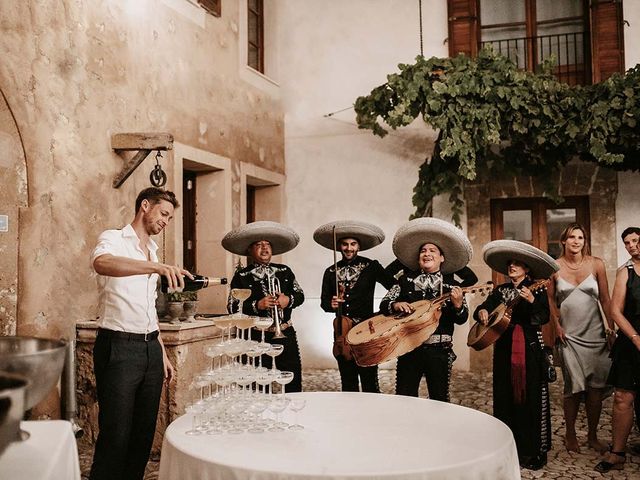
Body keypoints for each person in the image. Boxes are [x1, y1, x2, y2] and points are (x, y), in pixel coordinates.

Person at [89, 187, 188, 480]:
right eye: (163, 214)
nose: (166, 222)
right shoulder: (113, 238)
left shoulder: (154, 250)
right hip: (118, 346)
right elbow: (101, 263)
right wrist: (155, 267)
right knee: (116, 435)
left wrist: (160, 352)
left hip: (149, 349)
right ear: (145, 206)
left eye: (170, 218)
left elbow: (147, 310)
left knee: (143, 436)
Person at [474, 239, 558, 470]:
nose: (512, 266)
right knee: (504, 398)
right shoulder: (500, 290)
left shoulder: (537, 288)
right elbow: (482, 310)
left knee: (531, 399)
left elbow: (543, 318)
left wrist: (531, 301)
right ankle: (507, 448)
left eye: (517, 263)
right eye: (510, 263)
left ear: (527, 269)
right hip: (503, 350)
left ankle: (535, 451)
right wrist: (481, 311)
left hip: (529, 349)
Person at [379, 217, 472, 401]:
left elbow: (462, 318)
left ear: (442, 257)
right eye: (423, 251)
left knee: (439, 400)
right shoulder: (404, 281)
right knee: (405, 399)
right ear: (418, 257)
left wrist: (458, 304)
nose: (427, 253)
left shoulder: (452, 286)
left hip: (439, 350)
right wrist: (396, 305)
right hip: (408, 348)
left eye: (432, 251)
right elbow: (384, 304)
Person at [547, 223, 614, 453]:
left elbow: (606, 300)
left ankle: (593, 436)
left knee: (596, 388)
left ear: (585, 241)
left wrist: (611, 329)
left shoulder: (596, 264)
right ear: (563, 241)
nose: (576, 241)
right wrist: (556, 326)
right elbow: (550, 302)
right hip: (569, 336)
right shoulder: (553, 267)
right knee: (573, 387)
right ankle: (570, 433)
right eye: (572, 237)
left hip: (595, 334)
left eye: (580, 237)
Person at [222, 221, 304, 392]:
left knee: (292, 381)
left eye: (267, 245)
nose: (264, 248)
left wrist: (287, 300)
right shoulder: (242, 276)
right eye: (258, 245)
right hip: (256, 337)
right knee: (258, 385)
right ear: (249, 251)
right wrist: (256, 305)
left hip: (285, 333)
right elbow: (232, 306)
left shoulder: (284, 271)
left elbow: (300, 295)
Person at [314, 220, 396, 392]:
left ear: (359, 246)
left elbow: (395, 286)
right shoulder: (330, 271)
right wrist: (331, 304)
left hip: (367, 331)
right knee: (348, 381)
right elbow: (324, 303)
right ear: (339, 247)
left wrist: (385, 309)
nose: (349, 248)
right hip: (341, 334)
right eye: (344, 244)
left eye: (353, 244)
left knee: (370, 382)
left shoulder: (370, 266)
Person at [595, 227, 640, 473]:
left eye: (635, 240)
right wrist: (635, 337)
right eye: (627, 243)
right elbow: (614, 311)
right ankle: (618, 453)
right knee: (623, 397)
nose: (631, 245)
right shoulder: (626, 272)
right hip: (631, 340)